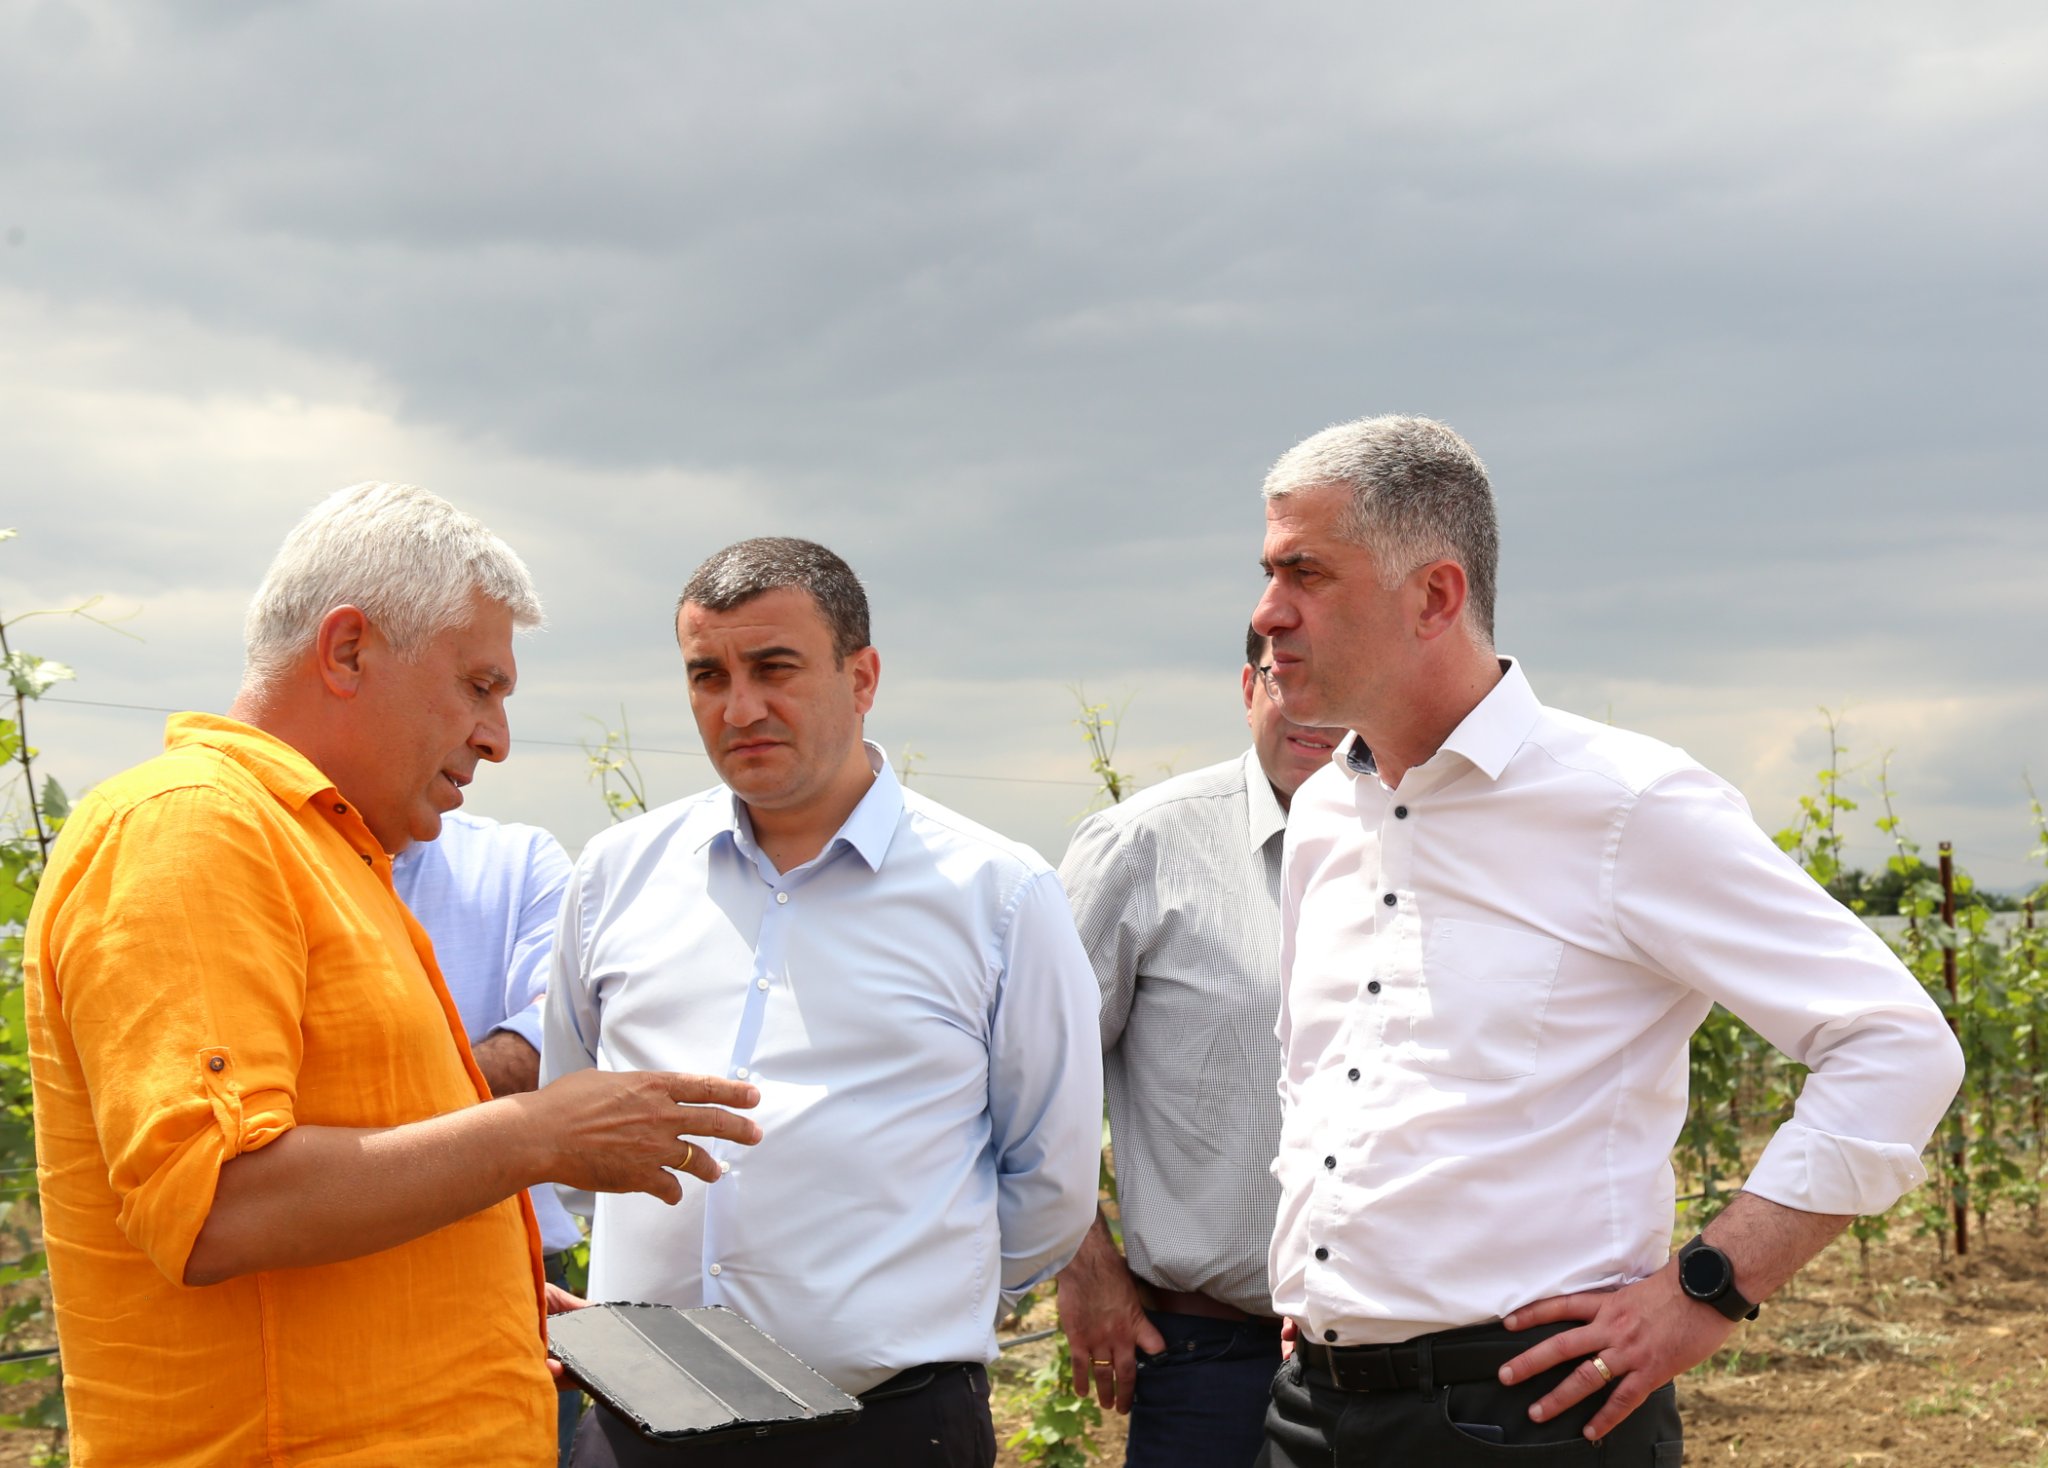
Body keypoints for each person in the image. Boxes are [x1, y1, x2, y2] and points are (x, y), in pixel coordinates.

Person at [1247, 416, 1965, 1465]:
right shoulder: (1322, 813)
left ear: (1434, 596)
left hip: (1528, 1417)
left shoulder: (1628, 805)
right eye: (1269, 573)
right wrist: (1334, 1279)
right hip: (1307, 1407)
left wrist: (1707, 1290)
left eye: (1305, 573)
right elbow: (1315, 1072)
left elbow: (1897, 1045)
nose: (1268, 612)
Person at [25, 483, 761, 1468]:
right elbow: (221, 1204)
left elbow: (346, 1181)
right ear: (347, 651)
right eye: (479, 686)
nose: (497, 737)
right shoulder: (193, 827)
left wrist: (475, 1287)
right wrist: (541, 1132)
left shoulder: (328, 854)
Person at [543, 536, 1103, 1467]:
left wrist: (901, 1310)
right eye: (708, 676)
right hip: (638, 1425)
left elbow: (1051, 1184)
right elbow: (572, 1131)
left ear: (862, 676)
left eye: (774, 668)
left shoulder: (996, 895)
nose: (740, 708)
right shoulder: (615, 875)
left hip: (882, 1430)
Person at [1052, 625, 1346, 1468]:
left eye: (1340, 682)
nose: (1314, 710)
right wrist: (1081, 1260)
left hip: (1404, 1369)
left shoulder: (1429, 846)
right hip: (1210, 1356)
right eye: (1287, 678)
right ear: (1249, 688)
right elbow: (1027, 1075)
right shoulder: (1142, 845)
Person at [391, 808, 587, 1464]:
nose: (494, 754)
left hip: (517, 1282)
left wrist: (355, 1108)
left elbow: (559, 1043)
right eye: (475, 696)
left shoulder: (517, 860)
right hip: (314, 1273)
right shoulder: (260, 862)